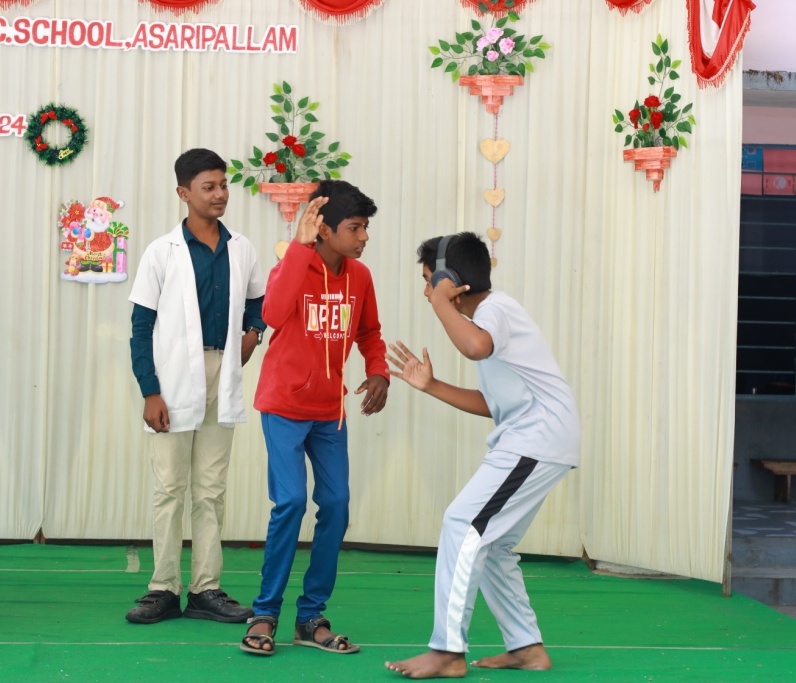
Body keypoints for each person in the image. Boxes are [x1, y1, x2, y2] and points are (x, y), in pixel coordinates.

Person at [384, 232, 581, 679]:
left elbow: (474, 346)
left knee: (462, 524)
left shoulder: (494, 311)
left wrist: (441, 302)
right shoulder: (490, 319)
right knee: (493, 545)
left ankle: (447, 651)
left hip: (536, 438)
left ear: (451, 280)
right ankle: (527, 648)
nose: (426, 293)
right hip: (535, 438)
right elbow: (494, 404)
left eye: (429, 281)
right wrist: (432, 386)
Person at [241, 181, 390, 656]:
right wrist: (298, 250)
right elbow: (272, 313)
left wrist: (379, 371)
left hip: (329, 412)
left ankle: (310, 618)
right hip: (284, 406)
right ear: (324, 230)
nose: (364, 236)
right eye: (355, 227)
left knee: (337, 504)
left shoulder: (359, 276)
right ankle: (265, 613)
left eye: (365, 227)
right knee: (290, 502)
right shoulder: (293, 265)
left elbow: (369, 331)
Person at [125, 148, 266, 625]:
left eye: (224, 185)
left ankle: (206, 588)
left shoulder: (241, 247)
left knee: (211, 489)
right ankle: (163, 588)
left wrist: (253, 334)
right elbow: (140, 327)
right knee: (169, 487)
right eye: (209, 187)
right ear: (184, 193)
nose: (220, 194)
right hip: (171, 379)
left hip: (222, 372)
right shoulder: (161, 251)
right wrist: (150, 391)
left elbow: (259, 302)